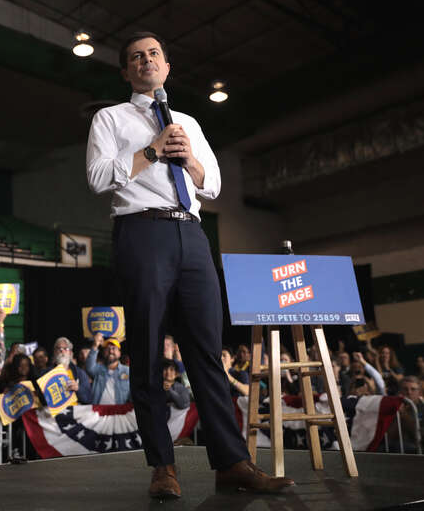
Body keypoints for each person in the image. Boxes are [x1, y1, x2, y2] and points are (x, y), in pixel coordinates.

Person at [86, 31, 293, 498]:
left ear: (167, 66)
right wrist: (153, 150)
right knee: (147, 349)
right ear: (126, 72)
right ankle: (163, 466)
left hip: (192, 233)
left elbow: (213, 185)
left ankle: (232, 462)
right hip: (142, 232)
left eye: (154, 54)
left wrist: (191, 163)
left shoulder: (188, 122)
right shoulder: (110, 118)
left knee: (206, 351)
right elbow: (99, 178)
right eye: (136, 57)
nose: (146, 61)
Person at [85, 333, 131, 405]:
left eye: (114, 348)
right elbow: (89, 366)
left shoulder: (128, 371)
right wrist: (95, 345)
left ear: (119, 353)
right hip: (98, 411)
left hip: (119, 411)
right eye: (107, 349)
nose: (111, 351)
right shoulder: (98, 369)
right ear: (103, 353)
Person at [43, 337, 92, 404]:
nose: (62, 351)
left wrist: (78, 389)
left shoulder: (80, 373)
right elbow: (42, 400)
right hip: (55, 413)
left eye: (65, 348)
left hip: (76, 411)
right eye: (59, 348)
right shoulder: (46, 373)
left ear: (70, 352)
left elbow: (88, 399)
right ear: (54, 352)